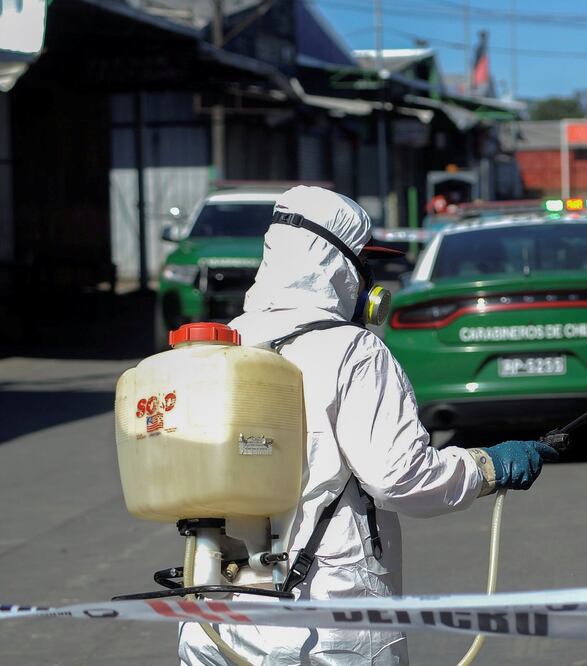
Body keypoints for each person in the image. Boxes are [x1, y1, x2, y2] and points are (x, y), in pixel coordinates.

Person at [179, 185, 558, 665]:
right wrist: (488, 466)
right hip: (327, 625)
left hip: (213, 620)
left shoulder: (219, 345)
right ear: (339, 266)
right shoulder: (354, 351)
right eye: (364, 265)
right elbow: (401, 479)